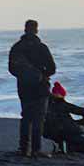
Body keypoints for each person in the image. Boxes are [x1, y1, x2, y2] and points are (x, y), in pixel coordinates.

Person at [7, 18, 58, 158]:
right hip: (41, 88)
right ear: (36, 30)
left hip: (24, 88)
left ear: (24, 29)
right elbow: (52, 68)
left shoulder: (17, 47)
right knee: (38, 119)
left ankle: (24, 149)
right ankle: (36, 149)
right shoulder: (41, 47)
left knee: (26, 118)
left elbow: (11, 69)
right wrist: (42, 75)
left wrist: (23, 76)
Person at [44, 81, 84, 155]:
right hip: (67, 132)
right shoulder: (62, 104)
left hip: (50, 132)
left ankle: (63, 148)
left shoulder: (44, 104)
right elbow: (80, 111)